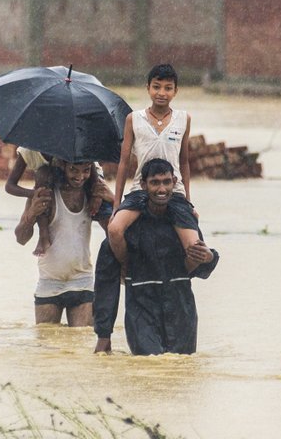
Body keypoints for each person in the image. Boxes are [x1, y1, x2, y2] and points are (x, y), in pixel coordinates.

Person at [94, 158, 219, 355]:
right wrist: (103, 334)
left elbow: (201, 268)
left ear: (174, 182)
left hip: (181, 312)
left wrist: (209, 257)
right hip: (142, 313)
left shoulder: (184, 222)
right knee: (148, 368)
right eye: (155, 182)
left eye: (166, 182)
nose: (162, 189)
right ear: (143, 185)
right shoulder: (128, 230)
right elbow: (105, 282)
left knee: (180, 372)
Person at [108, 63, 200, 272]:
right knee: (114, 230)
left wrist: (188, 199)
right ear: (148, 88)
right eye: (156, 87)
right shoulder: (133, 119)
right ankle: (127, 269)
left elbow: (184, 161)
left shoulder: (184, 119)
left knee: (195, 246)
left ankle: (179, 277)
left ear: (175, 91)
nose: (161, 93)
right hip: (141, 191)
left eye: (168, 88)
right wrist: (116, 205)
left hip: (173, 191)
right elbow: (123, 163)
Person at [15, 159, 113, 326]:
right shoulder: (45, 194)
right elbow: (21, 239)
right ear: (63, 168)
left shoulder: (92, 196)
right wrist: (31, 215)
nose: (80, 176)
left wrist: (111, 199)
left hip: (82, 281)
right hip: (49, 282)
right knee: (47, 349)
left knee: (81, 344)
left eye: (86, 170)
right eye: (74, 170)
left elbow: (113, 232)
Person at [6, 147, 103, 256]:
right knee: (42, 174)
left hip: (89, 173)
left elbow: (91, 168)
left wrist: (97, 195)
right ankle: (43, 235)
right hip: (49, 179)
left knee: (105, 210)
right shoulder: (28, 151)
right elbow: (9, 186)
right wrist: (34, 194)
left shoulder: (65, 143)